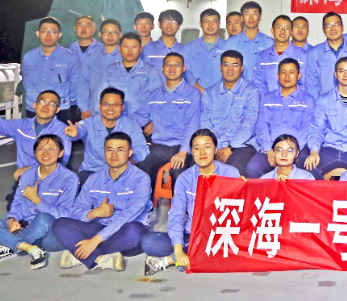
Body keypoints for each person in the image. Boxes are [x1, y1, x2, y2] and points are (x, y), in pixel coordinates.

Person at [141, 129, 241, 276]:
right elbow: (177, 213)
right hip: (192, 234)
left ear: (215, 149)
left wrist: (231, 186)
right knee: (149, 243)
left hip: (219, 235)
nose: (202, 152)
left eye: (207, 147)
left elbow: (239, 212)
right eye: (197, 148)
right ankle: (190, 256)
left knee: (227, 247)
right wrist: (178, 249)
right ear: (191, 152)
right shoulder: (185, 178)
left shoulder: (230, 174)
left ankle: (170, 260)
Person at [52, 132, 152, 272]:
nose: (114, 154)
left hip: (125, 230)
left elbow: (129, 214)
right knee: (60, 224)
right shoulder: (94, 178)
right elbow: (76, 211)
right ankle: (100, 258)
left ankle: (81, 254)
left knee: (134, 232)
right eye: (109, 150)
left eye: (120, 150)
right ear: (104, 152)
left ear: (130, 152)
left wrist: (94, 241)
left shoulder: (141, 179)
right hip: (99, 226)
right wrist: (94, 213)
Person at [0, 134, 77, 269]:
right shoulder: (27, 175)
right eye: (41, 149)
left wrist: (36, 200)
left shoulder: (70, 178)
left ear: (61, 153)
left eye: (52, 148)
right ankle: (29, 248)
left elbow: (65, 215)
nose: (45, 153)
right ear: (35, 153)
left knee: (43, 218)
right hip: (25, 228)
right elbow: (17, 203)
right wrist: (12, 220)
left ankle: (10, 246)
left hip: (52, 235)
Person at [135, 53, 202, 190]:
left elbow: (193, 124)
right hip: (159, 146)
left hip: (182, 145)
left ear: (183, 69)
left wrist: (183, 151)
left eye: (176, 65)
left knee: (180, 175)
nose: (172, 69)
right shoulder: (154, 95)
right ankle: (148, 203)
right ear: (162, 68)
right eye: (168, 65)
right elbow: (139, 117)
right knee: (141, 171)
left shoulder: (192, 94)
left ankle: (181, 205)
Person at [0, 84, 70, 179]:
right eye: (42, 102)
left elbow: (62, 161)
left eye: (52, 104)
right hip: (25, 179)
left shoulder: (63, 131)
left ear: (57, 110)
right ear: (35, 105)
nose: (46, 106)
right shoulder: (21, 126)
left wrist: (32, 170)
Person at [247, 59, 316, 178]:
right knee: (252, 168)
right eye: (283, 72)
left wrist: (291, 150)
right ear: (278, 76)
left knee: (312, 168)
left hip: (298, 148)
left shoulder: (307, 100)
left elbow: (307, 129)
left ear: (299, 76)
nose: (287, 76)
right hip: (270, 148)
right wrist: (270, 151)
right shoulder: (267, 98)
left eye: (291, 72)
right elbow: (261, 127)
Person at [66, 88, 148, 185]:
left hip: (121, 173)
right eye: (106, 104)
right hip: (92, 172)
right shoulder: (89, 123)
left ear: (123, 107)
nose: (110, 108)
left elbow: (142, 149)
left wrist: (128, 163)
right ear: (99, 106)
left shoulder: (131, 125)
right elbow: (78, 130)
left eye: (115, 105)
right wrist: (74, 134)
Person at [199, 51, 260, 172]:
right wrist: (215, 148)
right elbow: (205, 123)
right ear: (220, 67)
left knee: (231, 170)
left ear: (242, 68)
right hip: (214, 145)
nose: (230, 69)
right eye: (226, 64)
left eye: (235, 65)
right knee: (198, 166)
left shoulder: (251, 91)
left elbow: (248, 124)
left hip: (242, 145)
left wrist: (230, 147)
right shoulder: (209, 93)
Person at [87, 32, 160, 124]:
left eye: (134, 47)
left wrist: (152, 122)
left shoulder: (150, 71)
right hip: (114, 122)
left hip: (141, 123)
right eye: (126, 47)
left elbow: (157, 99)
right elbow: (100, 96)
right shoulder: (110, 70)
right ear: (119, 49)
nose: (130, 50)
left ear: (140, 49)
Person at [22, 17, 80, 117]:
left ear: (59, 35)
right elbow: (26, 82)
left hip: (60, 110)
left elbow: (74, 85)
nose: (48, 35)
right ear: (38, 34)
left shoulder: (70, 57)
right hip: (34, 109)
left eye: (53, 32)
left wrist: (66, 103)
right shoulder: (29, 57)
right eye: (44, 31)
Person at [304, 11, 347, 99]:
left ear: (342, 27)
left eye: (336, 25)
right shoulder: (315, 53)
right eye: (328, 26)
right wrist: (319, 102)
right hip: (324, 103)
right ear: (323, 30)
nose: (332, 29)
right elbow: (311, 83)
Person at [252, 15, 308, 96]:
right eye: (279, 27)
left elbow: (305, 83)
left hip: (295, 102)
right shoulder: (263, 56)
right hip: (269, 102)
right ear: (272, 30)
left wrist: (290, 99)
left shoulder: (302, 55)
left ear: (291, 32)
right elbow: (258, 83)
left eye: (287, 28)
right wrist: (269, 99)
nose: (283, 31)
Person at [76, 20, 123, 113]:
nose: (110, 36)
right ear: (100, 34)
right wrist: (84, 109)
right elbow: (82, 84)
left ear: (120, 35)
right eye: (106, 32)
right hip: (95, 110)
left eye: (114, 32)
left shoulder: (127, 56)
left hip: (120, 110)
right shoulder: (91, 57)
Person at [224, 1, 273, 81]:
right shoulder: (230, 43)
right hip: (239, 88)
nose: (251, 18)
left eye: (254, 14)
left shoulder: (270, 43)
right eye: (247, 14)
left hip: (261, 88)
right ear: (242, 18)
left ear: (260, 17)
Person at [181, 8, 227, 92]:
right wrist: (201, 90)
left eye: (214, 21)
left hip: (221, 94)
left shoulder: (228, 47)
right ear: (200, 24)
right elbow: (186, 73)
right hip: (195, 93)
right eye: (206, 21)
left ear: (219, 24)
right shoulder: (189, 48)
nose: (210, 25)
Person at [65, 16, 97, 122]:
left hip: (95, 105)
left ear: (94, 29)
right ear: (75, 28)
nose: (83, 29)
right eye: (80, 25)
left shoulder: (103, 51)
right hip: (71, 104)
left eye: (87, 25)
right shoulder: (67, 52)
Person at [139, 9, 184, 76]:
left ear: (178, 26)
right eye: (165, 21)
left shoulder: (185, 50)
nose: (169, 25)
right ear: (159, 25)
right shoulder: (147, 49)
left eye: (173, 21)